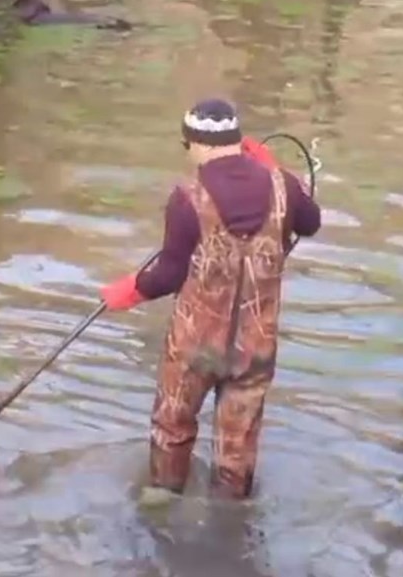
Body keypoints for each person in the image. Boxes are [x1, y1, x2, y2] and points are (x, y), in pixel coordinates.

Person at [100, 98, 322, 499]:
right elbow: (312, 222)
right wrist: (278, 173)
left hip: (193, 347)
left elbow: (168, 275)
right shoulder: (283, 186)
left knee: (172, 429)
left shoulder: (187, 198)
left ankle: (161, 506)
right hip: (255, 348)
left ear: (197, 144)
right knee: (238, 445)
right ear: (240, 142)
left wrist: (128, 291)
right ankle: (230, 522)